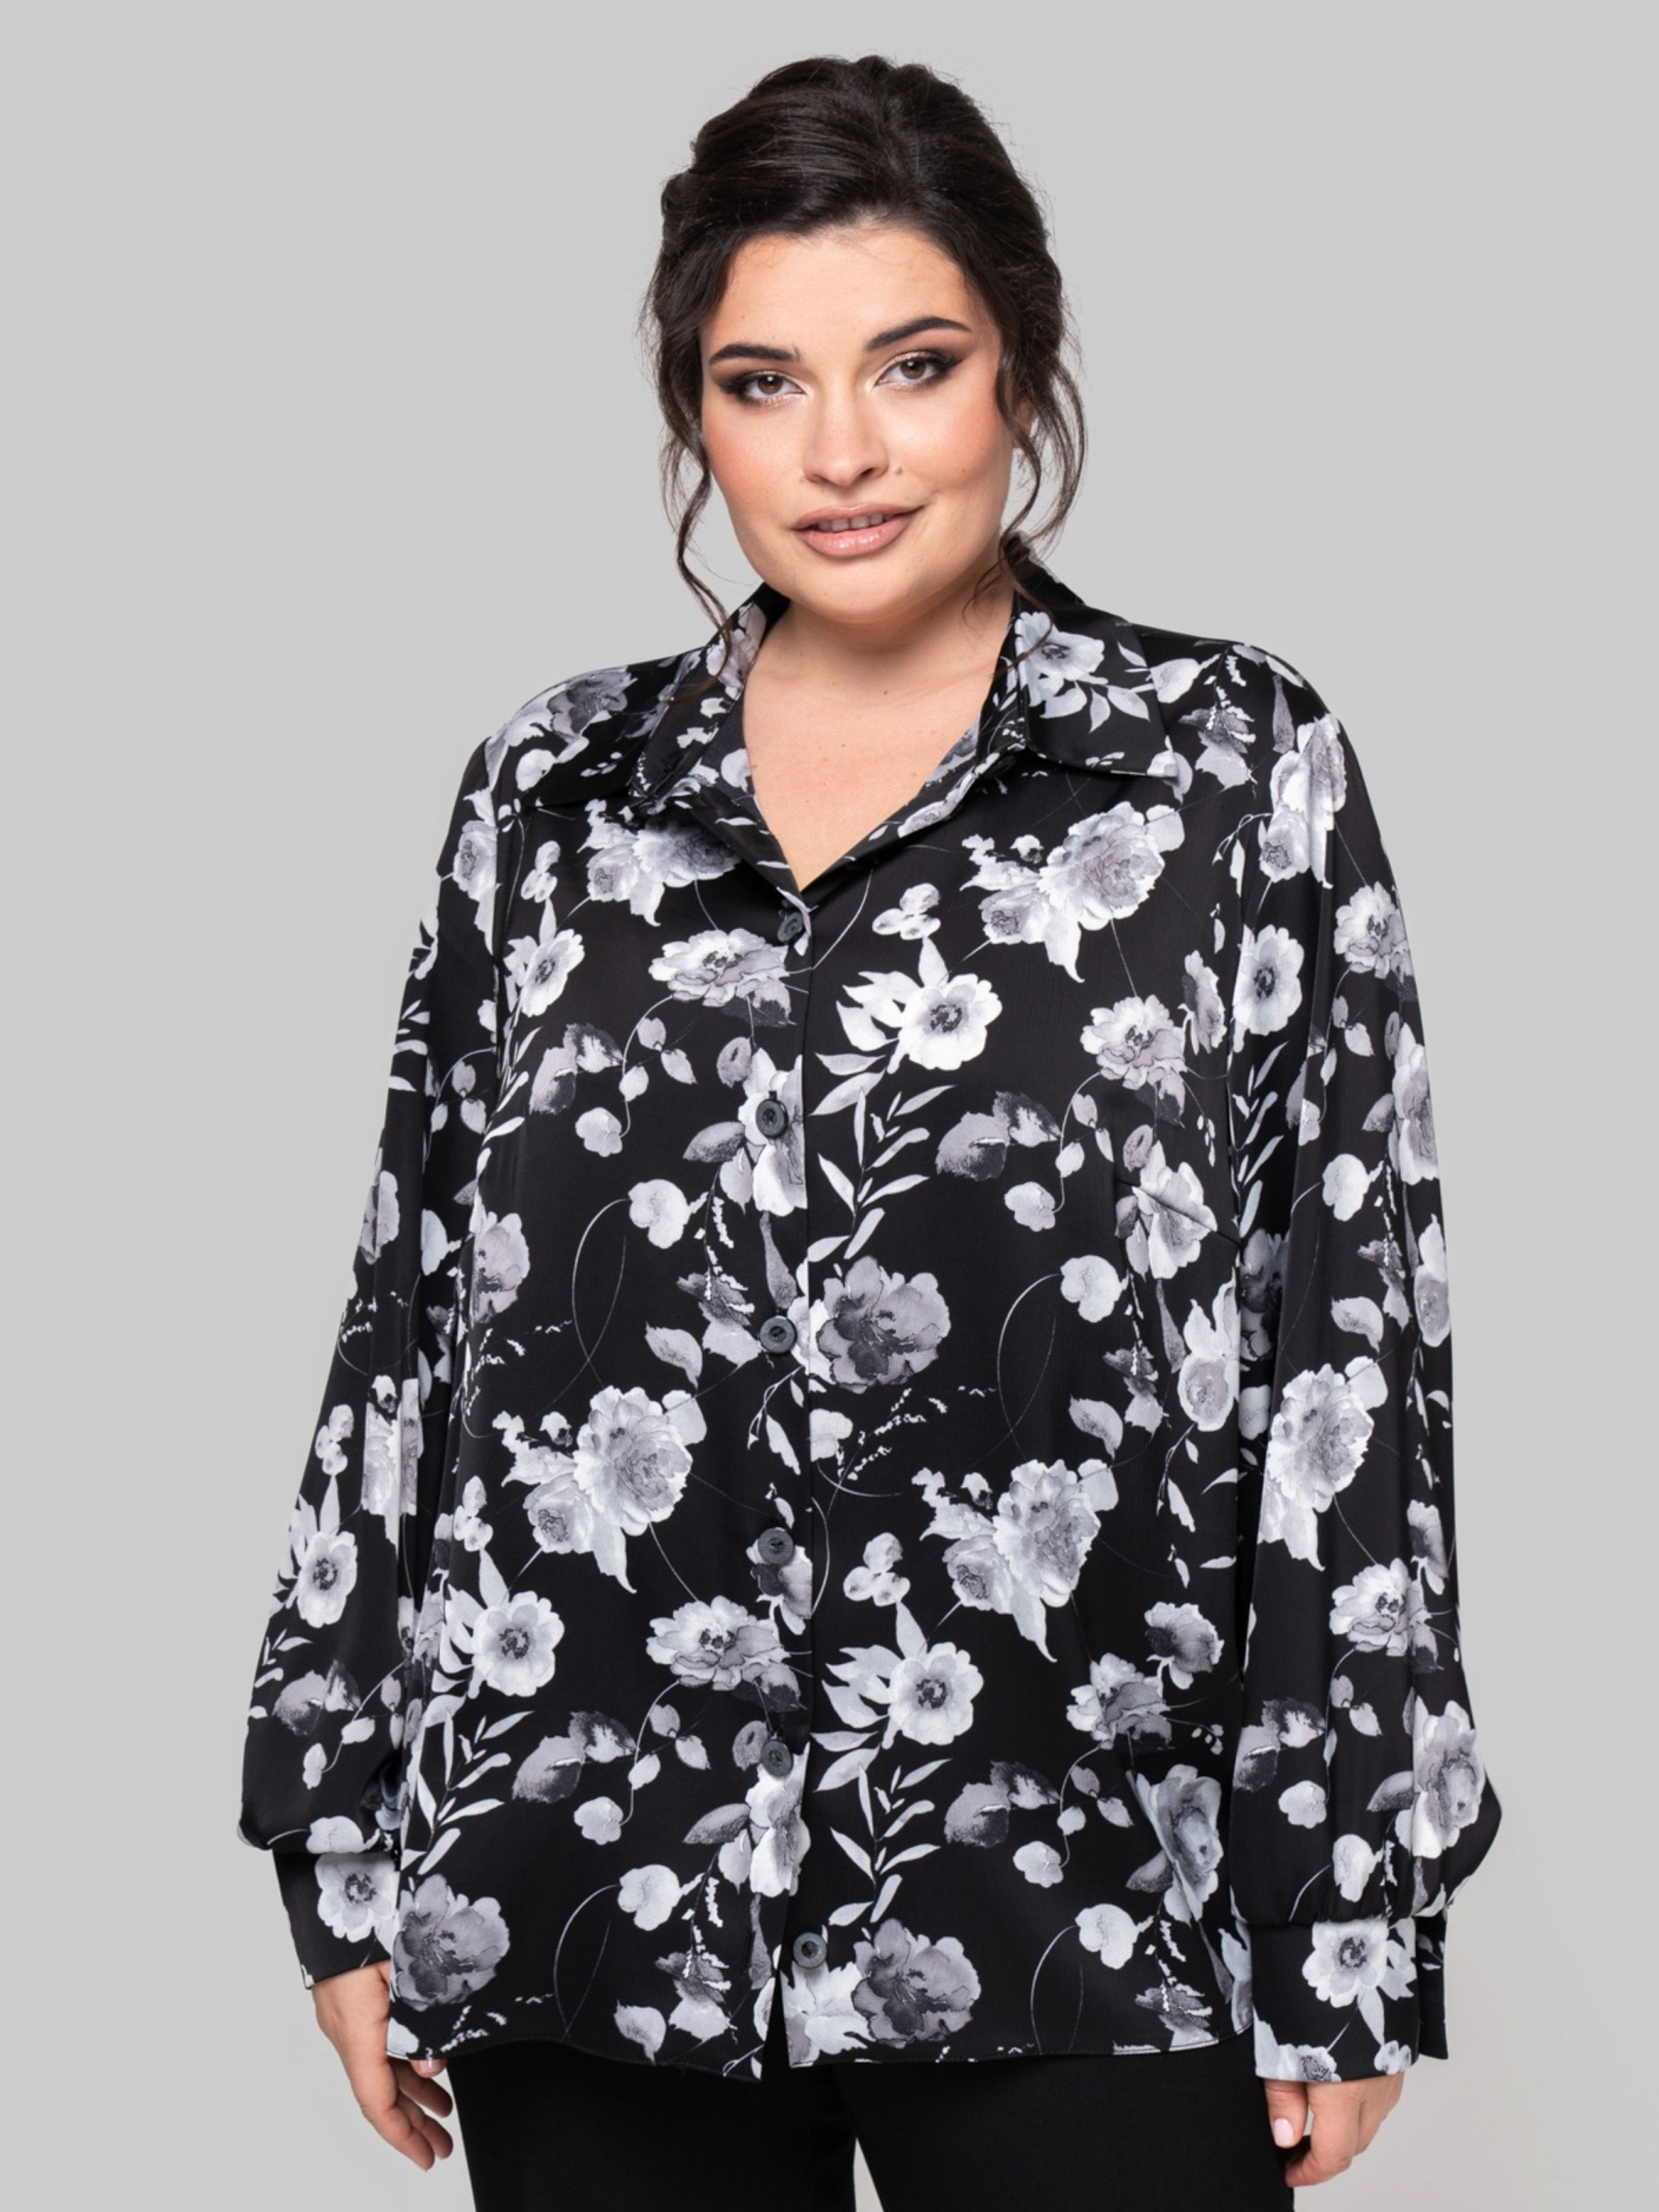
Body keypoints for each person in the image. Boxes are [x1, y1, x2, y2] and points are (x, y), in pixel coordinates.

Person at [238, 52, 1503, 2211]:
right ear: (694, 413)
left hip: (1085, 1905)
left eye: (912, 366)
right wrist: (343, 1829)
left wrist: (1346, 1904)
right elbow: (413, 1314)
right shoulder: (550, 797)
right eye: (763, 384)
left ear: (1018, 367)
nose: (840, 452)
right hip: (590, 1891)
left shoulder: (1230, 770)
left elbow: (1346, 1352)